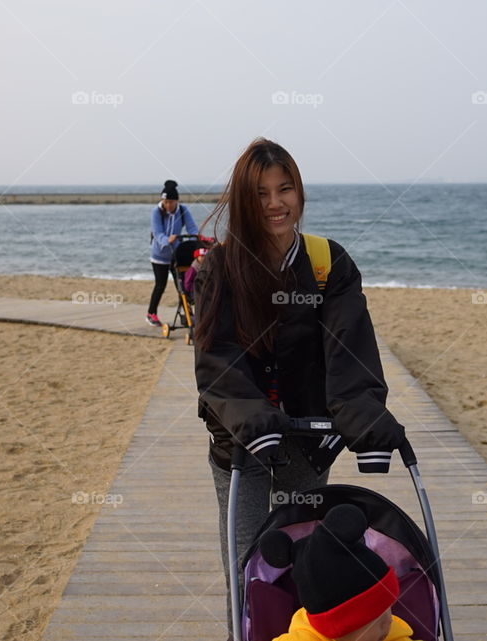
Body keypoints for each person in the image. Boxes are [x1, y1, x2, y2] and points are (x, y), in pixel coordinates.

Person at [192, 138, 405, 623]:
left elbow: (350, 350)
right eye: (261, 193)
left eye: (284, 189)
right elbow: (216, 358)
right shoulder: (220, 268)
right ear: (246, 201)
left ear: (300, 192)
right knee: (247, 562)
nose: (274, 203)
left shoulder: (328, 264)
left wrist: (364, 424)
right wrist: (252, 418)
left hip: (309, 441)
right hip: (239, 442)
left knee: (305, 559)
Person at [259, 504, 418, 641]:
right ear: (345, 627)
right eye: (377, 617)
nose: (389, 622)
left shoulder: (393, 634)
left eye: (388, 608)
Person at [148, 179, 198, 326]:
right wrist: (166, 240)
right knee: (160, 285)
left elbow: (192, 228)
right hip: (159, 256)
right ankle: (151, 314)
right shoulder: (156, 212)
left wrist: (197, 238)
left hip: (176, 255)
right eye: (165, 202)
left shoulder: (183, 210)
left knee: (182, 286)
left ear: (176, 201)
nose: (168, 205)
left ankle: (188, 315)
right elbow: (157, 233)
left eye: (171, 202)